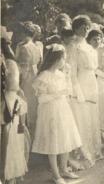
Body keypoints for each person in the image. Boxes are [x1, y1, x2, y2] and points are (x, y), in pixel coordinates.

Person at [32, 44, 81, 184]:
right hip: (49, 111)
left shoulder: (60, 74)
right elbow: (41, 99)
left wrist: (68, 77)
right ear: (56, 59)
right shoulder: (44, 76)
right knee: (52, 141)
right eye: (63, 59)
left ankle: (64, 169)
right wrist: (58, 94)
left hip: (62, 109)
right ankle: (55, 174)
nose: (64, 62)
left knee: (65, 139)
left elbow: (68, 91)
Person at [68, 15, 102, 170]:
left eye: (87, 27)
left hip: (91, 82)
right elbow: (72, 72)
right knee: (81, 118)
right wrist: (77, 91)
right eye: (82, 27)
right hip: (80, 82)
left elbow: (95, 68)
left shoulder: (89, 46)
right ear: (75, 28)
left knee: (91, 117)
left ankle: (94, 151)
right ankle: (82, 153)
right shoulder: (73, 46)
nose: (86, 30)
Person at [0, 60, 29, 184]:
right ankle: (11, 177)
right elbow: (22, 120)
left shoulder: (3, 99)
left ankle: (8, 177)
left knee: (6, 154)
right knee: (13, 153)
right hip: (16, 130)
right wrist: (22, 130)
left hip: (8, 130)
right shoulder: (19, 98)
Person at [15, 21, 42, 139]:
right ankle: (33, 134)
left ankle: (26, 137)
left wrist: (18, 81)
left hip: (26, 78)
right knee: (33, 106)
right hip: (35, 77)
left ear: (24, 33)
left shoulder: (23, 47)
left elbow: (23, 67)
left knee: (24, 104)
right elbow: (39, 64)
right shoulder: (37, 46)